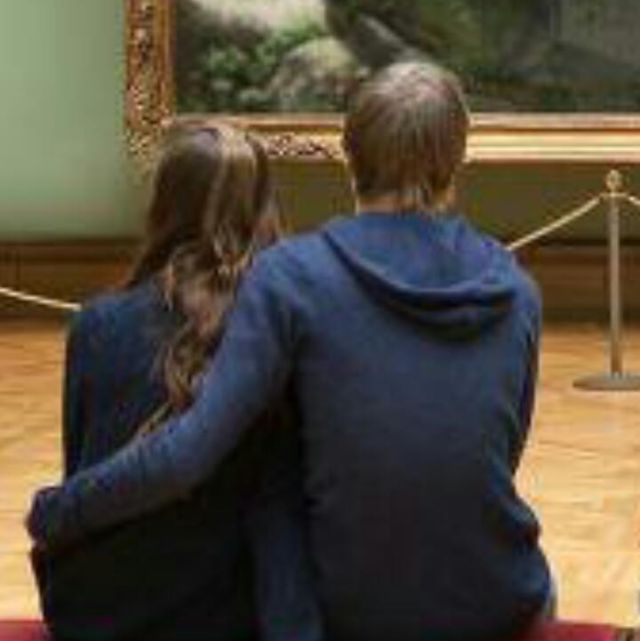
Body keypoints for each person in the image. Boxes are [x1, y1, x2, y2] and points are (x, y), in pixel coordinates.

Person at [28, 62, 552, 641]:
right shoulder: (517, 291)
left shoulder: (293, 276)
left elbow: (188, 452)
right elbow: (497, 454)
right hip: (498, 599)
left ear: (348, 156)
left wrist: (59, 509)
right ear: (457, 162)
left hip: (353, 608)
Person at [28, 123, 321, 641]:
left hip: (99, 610)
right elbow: (282, 505)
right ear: (264, 207)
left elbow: (83, 468)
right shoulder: (283, 331)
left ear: (162, 206)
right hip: (231, 616)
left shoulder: (98, 323)